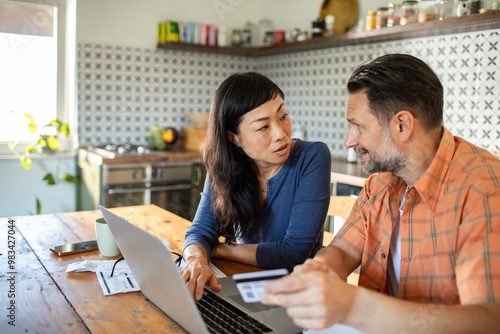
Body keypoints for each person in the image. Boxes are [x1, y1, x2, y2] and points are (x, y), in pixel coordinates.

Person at [262, 54, 500, 333]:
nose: (349, 141)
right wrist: (319, 270)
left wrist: (355, 306)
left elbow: (489, 319)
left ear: (402, 125)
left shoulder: (484, 190)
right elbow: (341, 249)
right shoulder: (380, 183)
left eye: (358, 126)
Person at [182, 72, 332, 301]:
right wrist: (196, 260)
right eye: (263, 127)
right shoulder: (224, 165)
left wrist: (218, 249)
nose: (281, 134)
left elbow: (292, 254)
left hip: (295, 293)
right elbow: (199, 232)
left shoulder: (312, 157)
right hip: (242, 283)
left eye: (283, 116)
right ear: (234, 138)